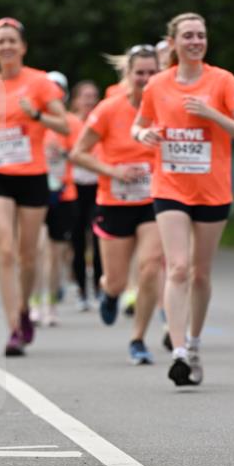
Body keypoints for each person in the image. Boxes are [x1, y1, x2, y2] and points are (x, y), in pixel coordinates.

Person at [132, 11, 234, 386]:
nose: (195, 41)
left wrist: (212, 113)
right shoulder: (157, 84)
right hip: (170, 187)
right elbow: (139, 123)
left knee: (201, 274)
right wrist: (143, 136)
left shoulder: (222, 81)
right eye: (187, 35)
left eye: (200, 35)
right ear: (173, 42)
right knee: (179, 268)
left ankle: (195, 342)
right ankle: (178, 350)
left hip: (212, 189)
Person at [0, 17, 68, 356]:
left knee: (28, 256)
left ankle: (25, 307)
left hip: (32, 176)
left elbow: (65, 125)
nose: (7, 46)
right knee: (7, 249)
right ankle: (14, 326)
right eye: (1, 42)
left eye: (13, 40)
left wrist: (37, 116)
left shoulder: (40, 82)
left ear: (23, 47)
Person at [72, 45, 163, 363]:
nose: (146, 78)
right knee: (117, 280)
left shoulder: (167, 107)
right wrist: (114, 171)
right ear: (128, 74)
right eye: (140, 72)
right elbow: (78, 152)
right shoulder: (109, 109)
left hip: (154, 199)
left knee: (151, 266)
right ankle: (109, 293)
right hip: (114, 200)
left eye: (152, 72)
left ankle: (138, 338)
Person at [29, 71, 79, 326]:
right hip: (36, 189)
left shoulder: (70, 122)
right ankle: (35, 302)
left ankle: (51, 304)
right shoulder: (31, 119)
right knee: (37, 249)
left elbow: (84, 152)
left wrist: (65, 154)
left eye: (58, 91)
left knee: (55, 254)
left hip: (64, 193)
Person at [68, 80, 102, 310]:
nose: (89, 100)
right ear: (76, 100)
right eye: (85, 96)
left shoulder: (102, 120)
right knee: (78, 241)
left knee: (100, 240)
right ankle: (81, 289)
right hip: (74, 186)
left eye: (93, 96)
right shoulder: (69, 124)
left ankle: (100, 288)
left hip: (99, 186)